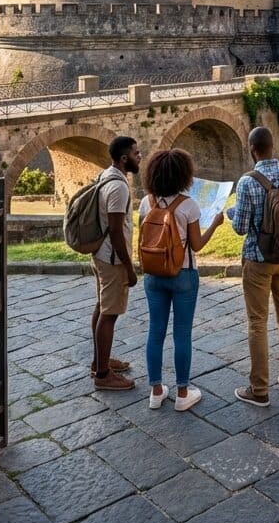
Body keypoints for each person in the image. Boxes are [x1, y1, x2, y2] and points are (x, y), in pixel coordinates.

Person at [139, 148, 224, 412]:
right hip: (184, 274)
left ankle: (155, 391)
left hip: (153, 274)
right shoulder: (189, 205)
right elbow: (196, 245)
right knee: (182, 333)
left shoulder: (146, 203)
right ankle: (183, 392)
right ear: (184, 176)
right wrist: (215, 224)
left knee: (155, 332)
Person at [228, 126, 279, 406]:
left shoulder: (247, 182)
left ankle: (259, 389)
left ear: (252, 150)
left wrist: (231, 213)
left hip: (258, 259)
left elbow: (240, 227)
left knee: (258, 323)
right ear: (274, 147)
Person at [90, 136, 141, 390]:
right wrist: (129, 267)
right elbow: (116, 230)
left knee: (102, 307)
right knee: (109, 314)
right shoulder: (119, 188)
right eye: (136, 153)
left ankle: (99, 360)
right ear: (124, 159)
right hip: (112, 258)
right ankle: (102, 375)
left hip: (101, 254)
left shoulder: (105, 175)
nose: (139, 156)